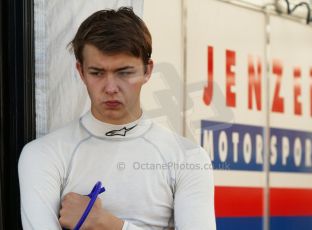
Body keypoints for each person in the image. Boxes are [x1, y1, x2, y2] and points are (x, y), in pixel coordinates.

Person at [18, 7, 216, 230]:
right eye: (97, 73)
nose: (111, 88)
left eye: (124, 72)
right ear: (80, 72)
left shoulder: (189, 159)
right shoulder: (42, 154)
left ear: (147, 71)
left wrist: (106, 223)